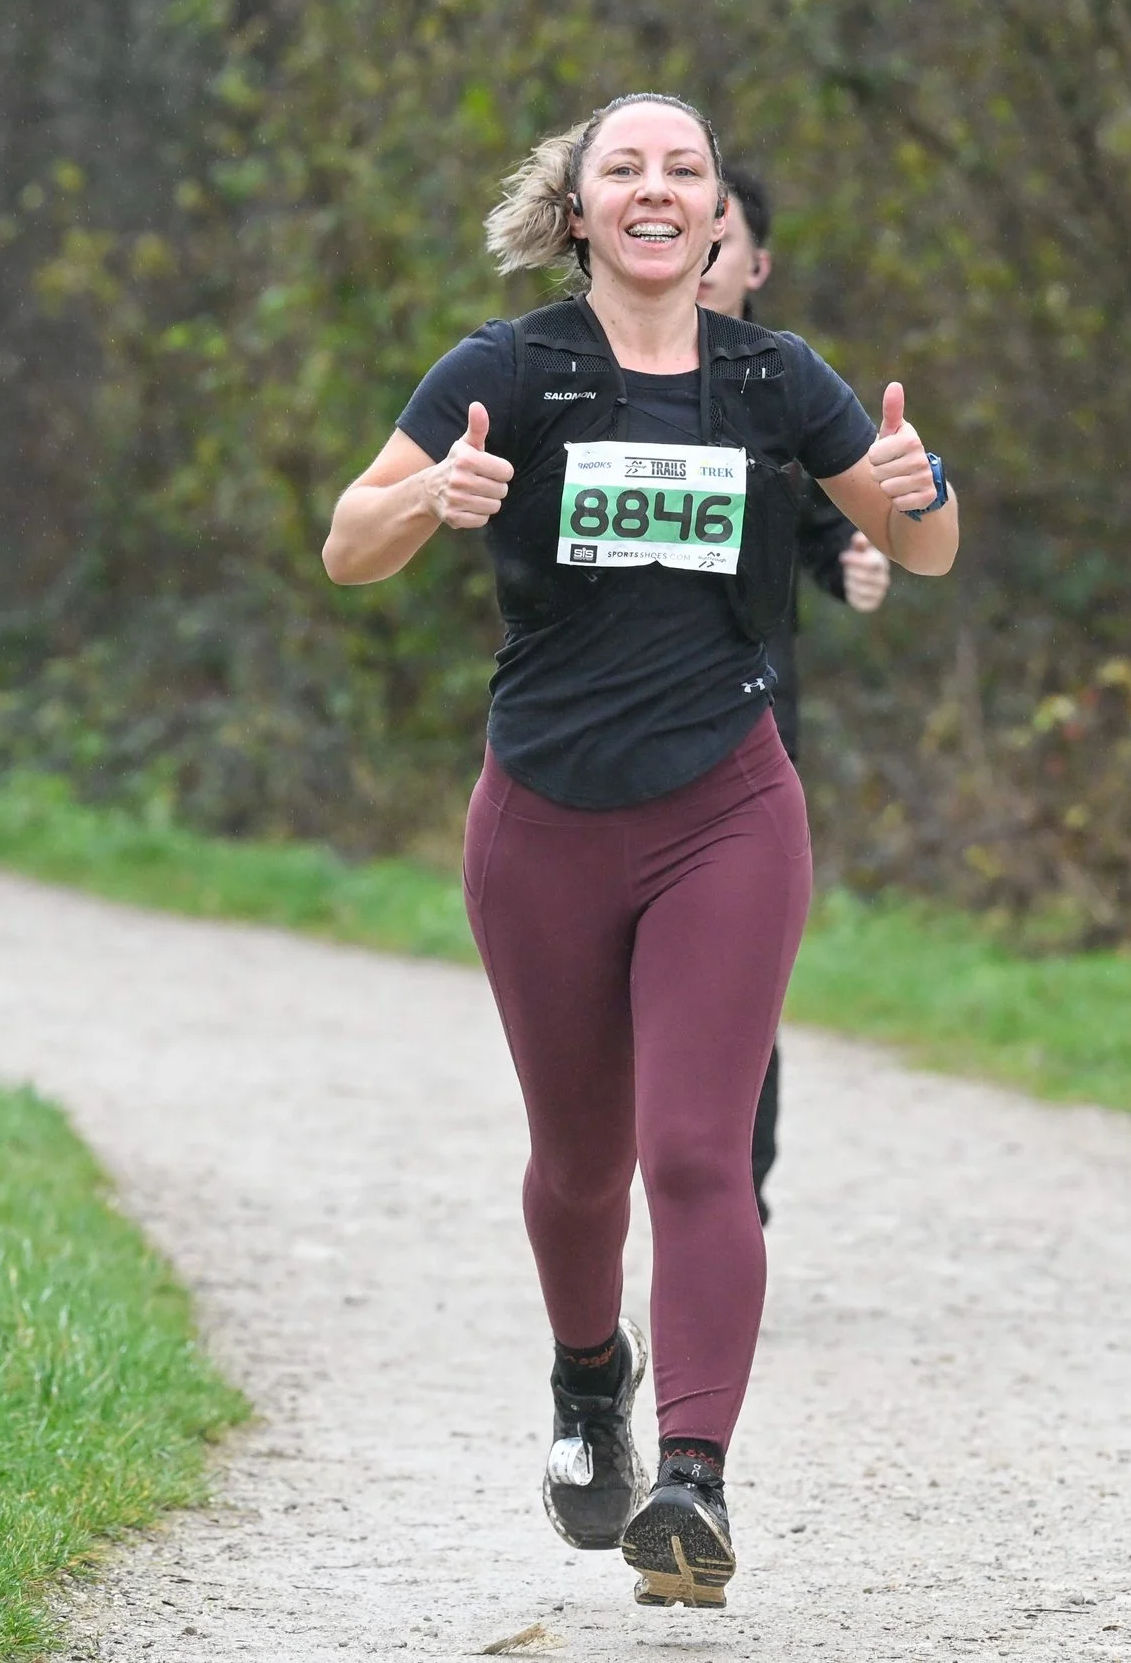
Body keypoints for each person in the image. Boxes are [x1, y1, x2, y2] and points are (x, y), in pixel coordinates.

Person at [320, 94, 958, 1609]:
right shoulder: (509, 369)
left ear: (719, 215)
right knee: (579, 1164)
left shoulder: (774, 379)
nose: (660, 190)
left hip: (727, 805)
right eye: (629, 169)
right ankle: (590, 1377)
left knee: (695, 1147)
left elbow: (922, 547)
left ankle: (694, 1482)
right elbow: (350, 540)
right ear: (581, 208)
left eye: (687, 171)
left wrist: (923, 494)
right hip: (540, 816)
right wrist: (432, 492)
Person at [696, 167, 893, 1225]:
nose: (698, 246)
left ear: (756, 263)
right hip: (611, 737)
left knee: (735, 989)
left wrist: (858, 560)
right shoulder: (586, 371)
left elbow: (839, 523)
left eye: (719, 232)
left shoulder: (788, 387)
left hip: (750, 730)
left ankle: (736, 1201)